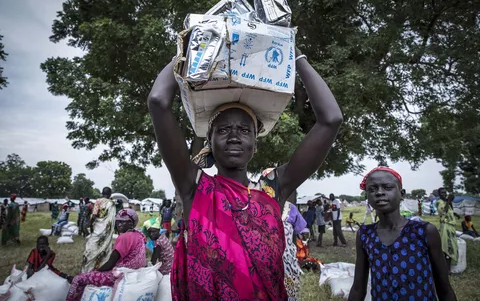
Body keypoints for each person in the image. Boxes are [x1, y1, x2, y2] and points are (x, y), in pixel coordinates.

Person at [148, 45, 343, 299]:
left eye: (244, 130)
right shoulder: (193, 186)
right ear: (210, 140)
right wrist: (186, 51)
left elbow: (331, 119)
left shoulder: (274, 187)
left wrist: (294, 57)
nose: (233, 137)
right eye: (223, 130)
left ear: (255, 142)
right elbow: (158, 102)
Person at [348, 167, 457, 301]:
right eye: (372, 189)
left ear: (402, 193)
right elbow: (358, 288)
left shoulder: (424, 231)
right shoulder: (365, 234)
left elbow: (444, 289)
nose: (379, 193)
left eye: (387, 187)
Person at [66, 209, 146, 301]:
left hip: (120, 275)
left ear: (131, 223)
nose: (119, 224)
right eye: (118, 222)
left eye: (123, 222)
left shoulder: (124, 237)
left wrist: (96, 272)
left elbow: (111, 263)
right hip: (133, 272)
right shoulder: (139, 235)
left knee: (78, 278)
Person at [82, 187, 116, 273]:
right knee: (104, 247)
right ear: (110, 194)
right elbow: (112, 219)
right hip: (106, 231)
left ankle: (88, 269)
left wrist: (89, 224)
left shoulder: (98, 201)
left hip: (97, 229)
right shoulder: (112, 203)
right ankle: (100, 269)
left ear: (102, 193)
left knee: (91, 248)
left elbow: (94, 215)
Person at [281, 197, 307, 300]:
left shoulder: (291, 209)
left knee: (289, 291)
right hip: (268, 260)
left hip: (288, 260)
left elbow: (299, 230)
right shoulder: (256, 205)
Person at [436, 188, 458, 270]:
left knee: (452, 246)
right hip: (445, 226)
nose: (444, 194)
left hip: (451, 226)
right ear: (439, 194)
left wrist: (455, 214)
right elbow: (443, 212)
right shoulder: (439, 202)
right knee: (446, 247)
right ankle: (446, 269)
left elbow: (450, 210)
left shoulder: (446, 202)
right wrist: (448, 201)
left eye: (445, 192)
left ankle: (448, 268)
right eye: (442, 193)